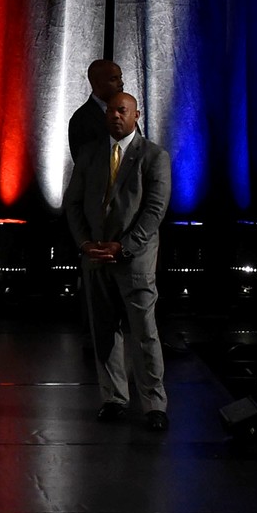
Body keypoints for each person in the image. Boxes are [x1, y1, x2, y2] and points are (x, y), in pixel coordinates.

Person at [63, 91, 170, 430]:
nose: (115, 115)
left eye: (122, 110)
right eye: (110, 110)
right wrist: (84, 244)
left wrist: (123, 248)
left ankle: (154, 404)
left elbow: (154, 212)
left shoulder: (154, 156)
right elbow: (74, 204)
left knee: (144, 333)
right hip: (95, 257)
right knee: (104, 332)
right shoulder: (90, 153)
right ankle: (114, 399)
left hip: (133, 260)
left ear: (136, 114)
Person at [67, 58, 124, 162]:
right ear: (96, 83)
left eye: (120, 77)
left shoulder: (126, 112)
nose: (121, 83)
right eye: (113, 79)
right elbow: (84, 164)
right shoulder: (81, 119)